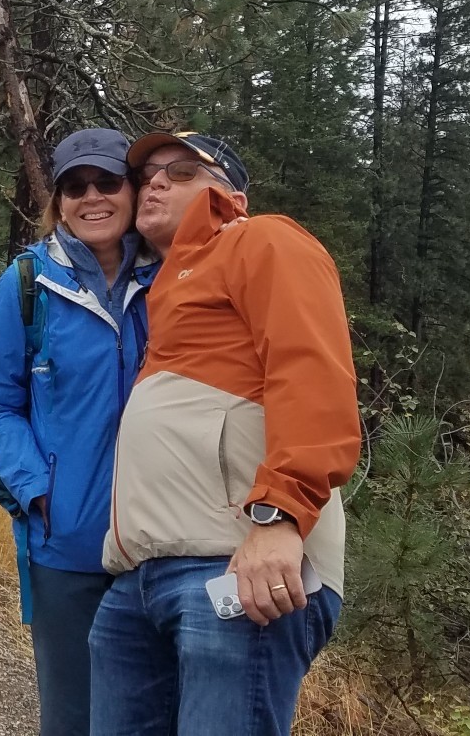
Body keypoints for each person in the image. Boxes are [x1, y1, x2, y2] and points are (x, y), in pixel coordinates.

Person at [89, 132, 362, 736]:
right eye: (146, 175)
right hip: (141, 578)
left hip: (240, 564)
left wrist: (281, 519)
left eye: (181, 171)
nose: (154, 182)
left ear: (230, 194)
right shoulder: (164, 288)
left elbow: (311, 374)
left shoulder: (262, 239)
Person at [0, 128, 157, 736]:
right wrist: (36, 489)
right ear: (58, 200)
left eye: (108, 181)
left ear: (131, 191)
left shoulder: (176, 281)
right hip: (66, 542)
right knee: (74, 716)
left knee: (152, 714)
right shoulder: (28, 285)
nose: (92, 197)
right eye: (75, 186)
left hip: (163, 543)